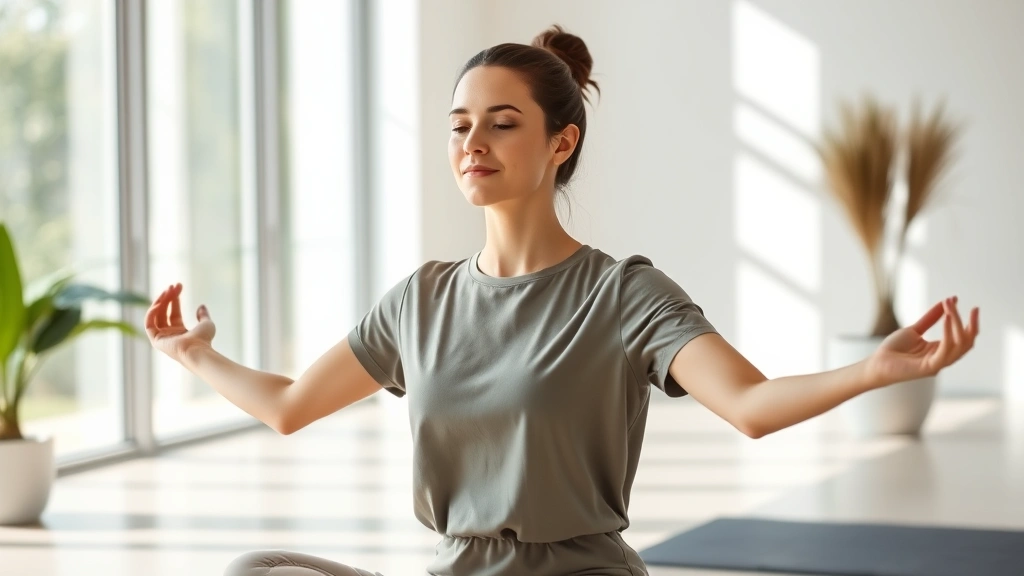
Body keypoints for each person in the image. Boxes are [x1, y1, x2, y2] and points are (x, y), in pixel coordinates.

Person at [144, 24, 980, 576]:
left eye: (501, 123)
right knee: (254, 572)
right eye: (459, 124)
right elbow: (290, 407)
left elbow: (753, 405)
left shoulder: (623, 295)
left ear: (561, 141)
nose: (473, 142)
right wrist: (195, 353)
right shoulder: (421, 299)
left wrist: (872, 370)